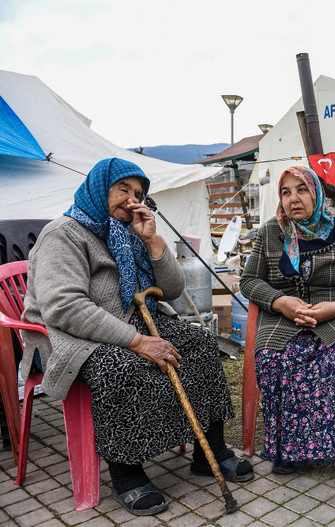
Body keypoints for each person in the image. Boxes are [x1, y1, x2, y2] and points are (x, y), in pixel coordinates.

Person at [20, 158, 252, 516]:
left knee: (201, 344)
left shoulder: (130, 233)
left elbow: (172, 290)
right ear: (100, 189)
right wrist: (137, 341)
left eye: (139, 193)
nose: (131, 200)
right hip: (80, 336)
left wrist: (154, 242)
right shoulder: (63, 234)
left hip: (138, 321)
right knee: (120, 367)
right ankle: (126, 473)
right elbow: (64, 307)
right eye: (123, 190)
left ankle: (212, 452)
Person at [239, 166, 335, 491]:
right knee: (274, 357)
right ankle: (289, 445)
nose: (294, 198)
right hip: (284, 316)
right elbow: (249, 280)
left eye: (302, 190)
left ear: (317, 194)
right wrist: (280, 302)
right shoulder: (270, 233)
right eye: (286, 192)